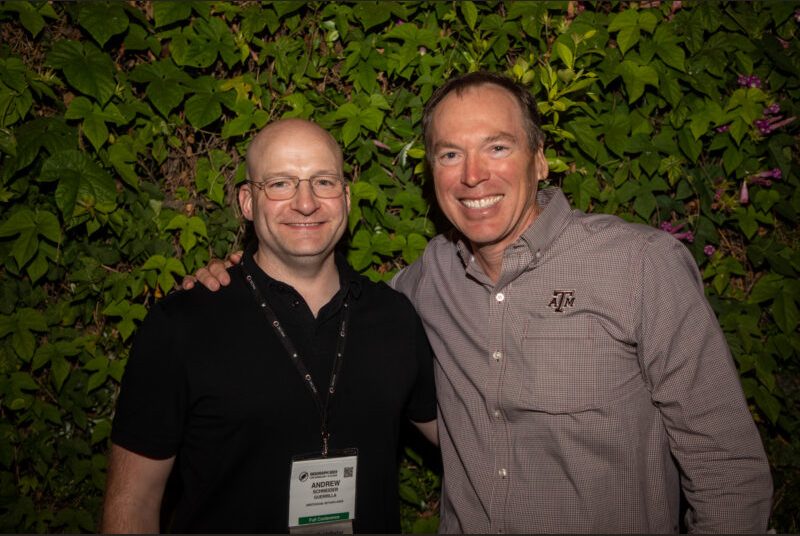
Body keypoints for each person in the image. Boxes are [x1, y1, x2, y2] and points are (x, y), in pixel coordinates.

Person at [186, 72, 773, 533]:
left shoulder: (640, 267)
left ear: (539, 159)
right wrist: (236, 280)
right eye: (448, 154)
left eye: (496, 147)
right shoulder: (420, 287)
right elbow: (324, 299)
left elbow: (725, 465)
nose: (472, 175)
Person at [102, 119, 437, 534]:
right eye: (280, 184)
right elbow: (133, 504)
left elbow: (470, 434)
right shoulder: (182, 325)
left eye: (324, 182)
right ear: (247, 202)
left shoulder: (394, 317)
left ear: (347, 198)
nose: (306, 202)